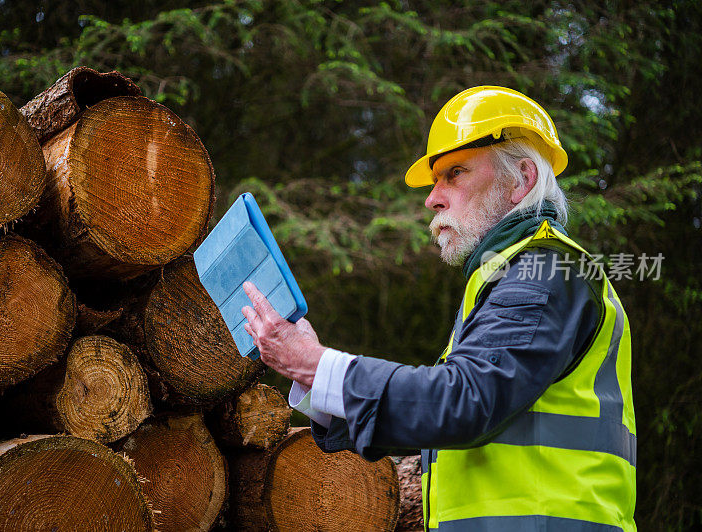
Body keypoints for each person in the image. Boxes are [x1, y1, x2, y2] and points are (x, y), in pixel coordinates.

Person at [241, 86, 636, 531]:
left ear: (521, 181)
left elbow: (466, 400)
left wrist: (320, 366)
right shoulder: (509, 275)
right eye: (435, 180)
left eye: (455, 173)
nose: (432, 198)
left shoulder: (542, 270)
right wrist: (310, 376)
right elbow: (438, 413)